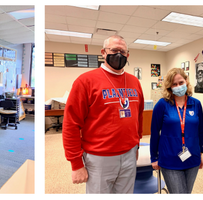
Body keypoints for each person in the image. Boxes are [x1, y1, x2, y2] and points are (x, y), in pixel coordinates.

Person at [62, 35, 145, 193]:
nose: (119, 54)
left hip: (129, 154)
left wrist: (137, 146)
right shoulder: (85, 81)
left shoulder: (134, 82)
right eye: (114, 50)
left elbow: (138, 117)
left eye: (123, 51)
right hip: (99, 157)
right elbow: (71, 124)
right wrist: (76, 163)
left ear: (128, 55)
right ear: (103, 52)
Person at [149, 68, 203, 194]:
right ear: (169, 86)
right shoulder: (162, 105)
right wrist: (154, 157)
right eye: (174, 84)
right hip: (169, 160)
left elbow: (200, 130)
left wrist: (200, 152)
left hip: (192, 158)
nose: (178, 86)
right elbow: (155, 132)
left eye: (181, 82)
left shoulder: (196, 104)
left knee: (187, 193)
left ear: (186, 82)